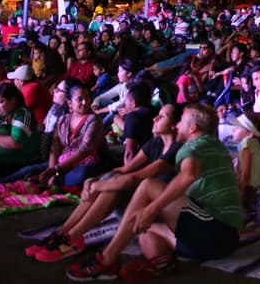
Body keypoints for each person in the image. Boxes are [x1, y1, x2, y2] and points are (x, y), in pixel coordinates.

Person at [65, 102, 243, 280]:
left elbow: (188, 175)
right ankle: (161, 262)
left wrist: (151, 209)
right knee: (144, 230)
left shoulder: (195, 146)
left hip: (215, 232)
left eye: (181, 120)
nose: (178, 125)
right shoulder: (215, 146)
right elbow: (135, 173)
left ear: (193, 128)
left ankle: (107, 259)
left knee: (148, 187)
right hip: (220, 242)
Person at [26, 103, 181, 264]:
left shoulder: (177, 149)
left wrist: (99, 185)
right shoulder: (155, 143)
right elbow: (124, 170)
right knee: (110, 178)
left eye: (162, 116)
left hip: (157, 214)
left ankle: (73, 238)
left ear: (175, 125)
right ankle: (63, 233)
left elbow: (133, 178)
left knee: (112, 185)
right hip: (139, 207)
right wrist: (94, 180)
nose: (155, 118)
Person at [35, 79, 107, 189]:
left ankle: (53, 180)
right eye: (80, 99)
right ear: (69, 103)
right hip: (63, 163)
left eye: (87, 98)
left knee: (82, 174)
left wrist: (56, 170)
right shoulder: (63, 120)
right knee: (31, 169)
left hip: (86, 163)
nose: (85, 102)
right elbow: (55, 149)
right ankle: (48, 179)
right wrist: (52, 169)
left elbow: (84, 151)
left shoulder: (94, 120)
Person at [230, 112, 260, 219]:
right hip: (258, 186)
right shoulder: (252, 143)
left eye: (237, 128)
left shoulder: (246, 143)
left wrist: (241, 197)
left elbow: (246, 174)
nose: (233, 129)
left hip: (253, 187)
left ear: (249, 133)